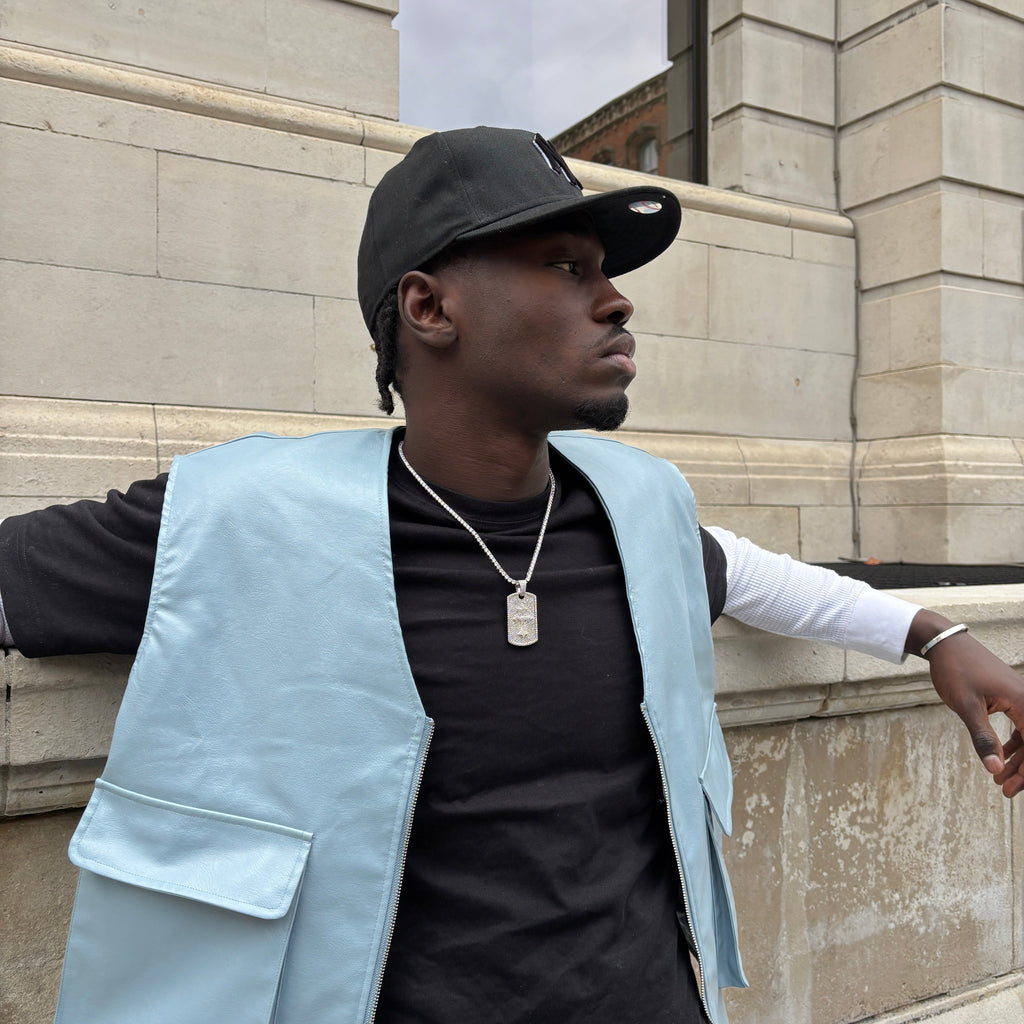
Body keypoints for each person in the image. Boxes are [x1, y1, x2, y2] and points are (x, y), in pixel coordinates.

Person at [1, 126, 1022, 1024]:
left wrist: (932, 635)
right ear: (429, 306)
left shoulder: (635, 514)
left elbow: (758, 577)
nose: (616, 300)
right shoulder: (232, 518)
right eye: (564, 266)